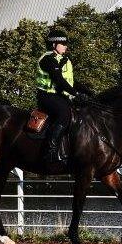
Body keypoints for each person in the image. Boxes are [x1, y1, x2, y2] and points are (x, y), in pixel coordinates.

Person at [36, 29, 85, 166]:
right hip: (46, 96)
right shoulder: (47, 59)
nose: (65, 46)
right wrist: (75, 94)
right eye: (62, 43)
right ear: (53, 45)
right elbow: (58, 80)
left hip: (58, 95)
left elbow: (70, 82)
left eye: (65, 44)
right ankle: (50, 151)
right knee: (64, 114)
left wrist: (87, 92)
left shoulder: (64, 59)